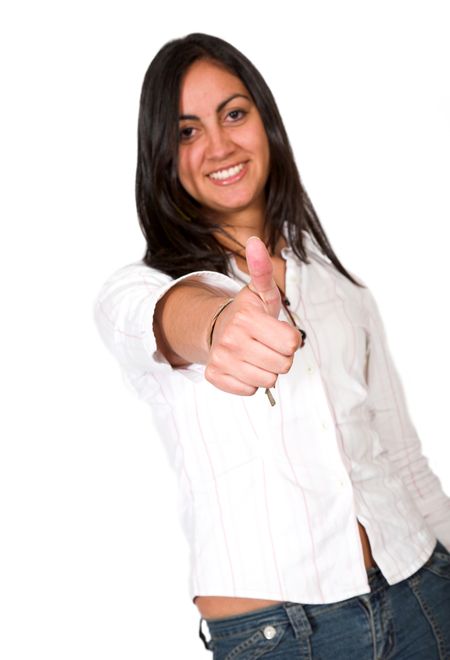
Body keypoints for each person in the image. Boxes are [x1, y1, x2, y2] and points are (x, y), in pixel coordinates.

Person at [94, 33, 450, 658]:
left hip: (422, 593)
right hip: (280, 637)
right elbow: (167, 319)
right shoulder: (140, 289)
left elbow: (403, 460)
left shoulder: (344, 292)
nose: (220, 144)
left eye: (234, 114)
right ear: (161, 156)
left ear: (266, 124)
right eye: (186, 131)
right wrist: (220, 322)